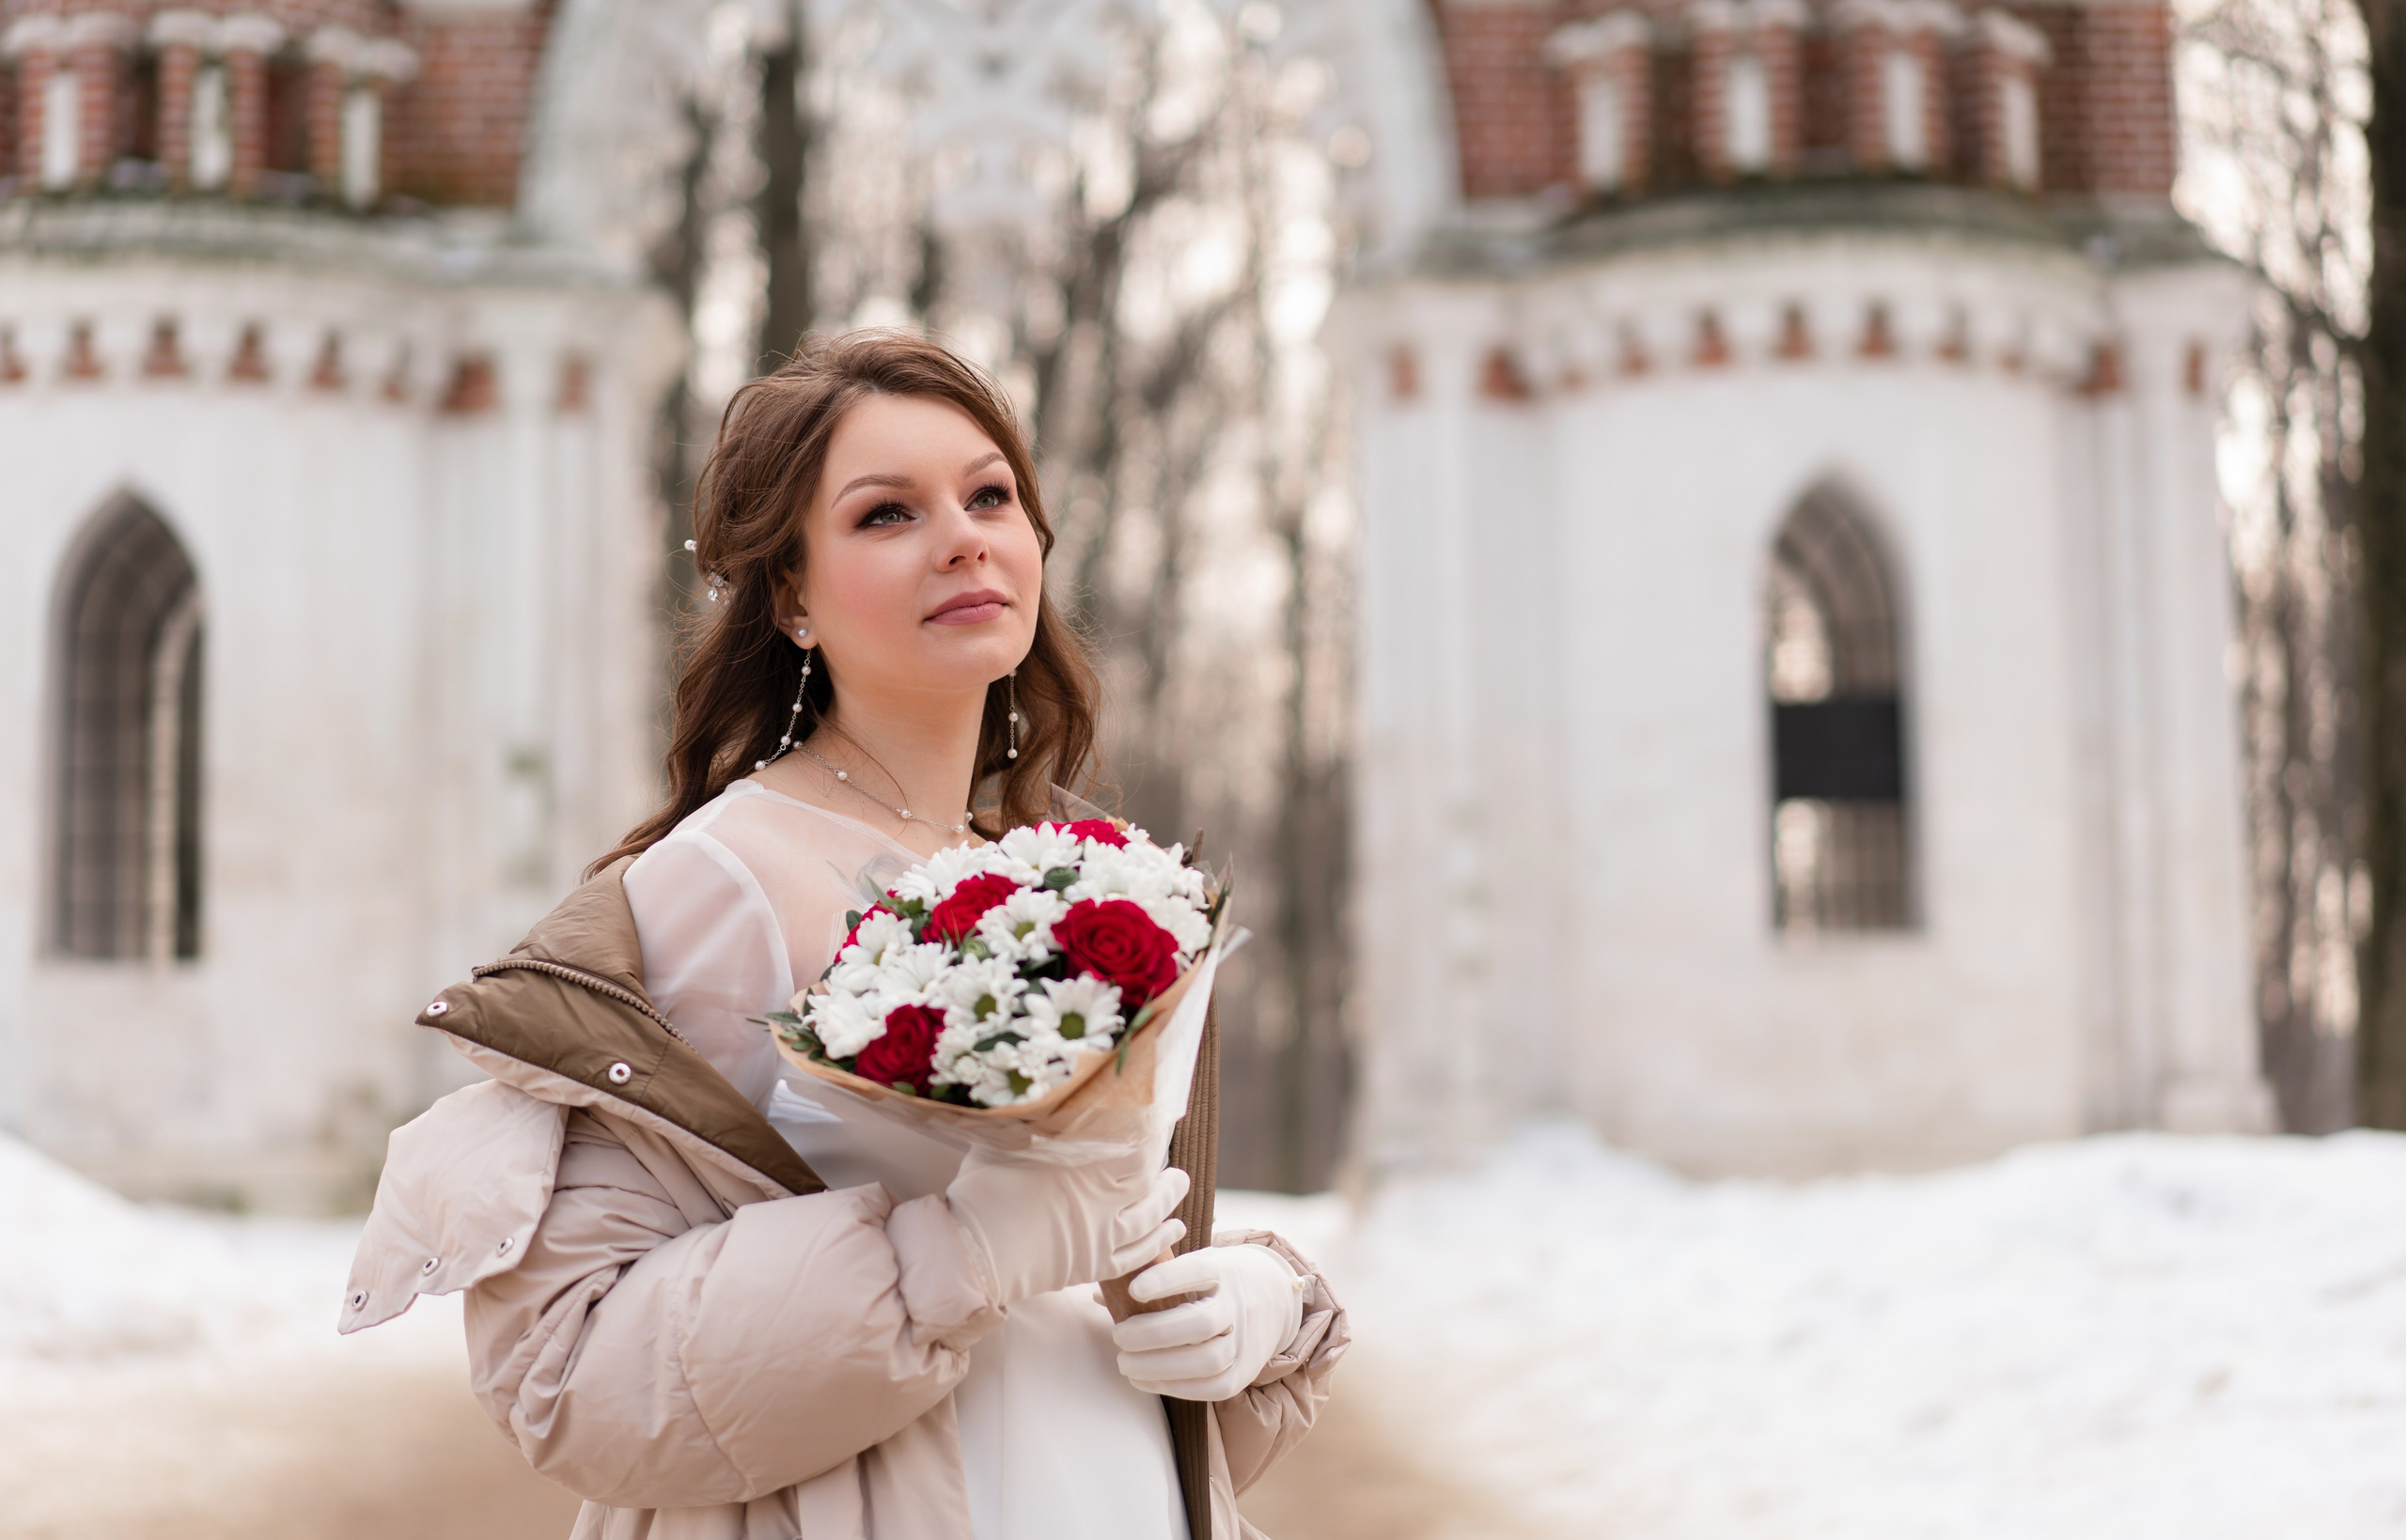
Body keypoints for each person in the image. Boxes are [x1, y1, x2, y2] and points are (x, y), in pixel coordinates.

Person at [340, 330, 1346, 1540]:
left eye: (990, 495)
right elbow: (574, 1374)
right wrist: (960, 1254)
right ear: (792, 598)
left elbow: (1099, 1259)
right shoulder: (720, 879)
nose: (966, 535)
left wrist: (1255, 1307)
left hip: (1112, 1486)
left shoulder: (1086, 871)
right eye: (887, 514)